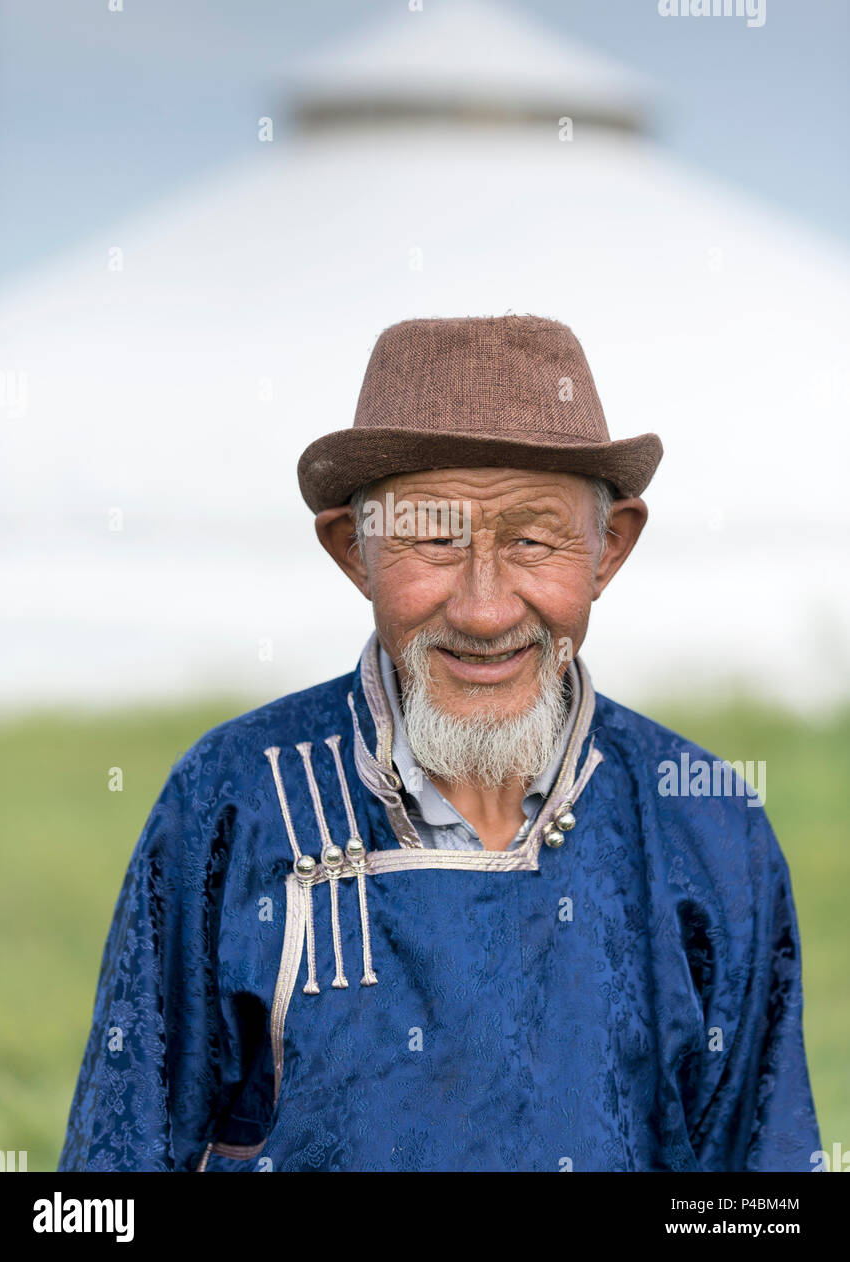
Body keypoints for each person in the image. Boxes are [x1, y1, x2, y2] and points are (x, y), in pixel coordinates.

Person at [59, 313, 820, 1172]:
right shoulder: (231, 799)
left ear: (608, 548)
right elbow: (109, 1176)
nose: (484, 610)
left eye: (533, 539)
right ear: (356, 552)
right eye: (431, 541)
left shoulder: (705, 822)